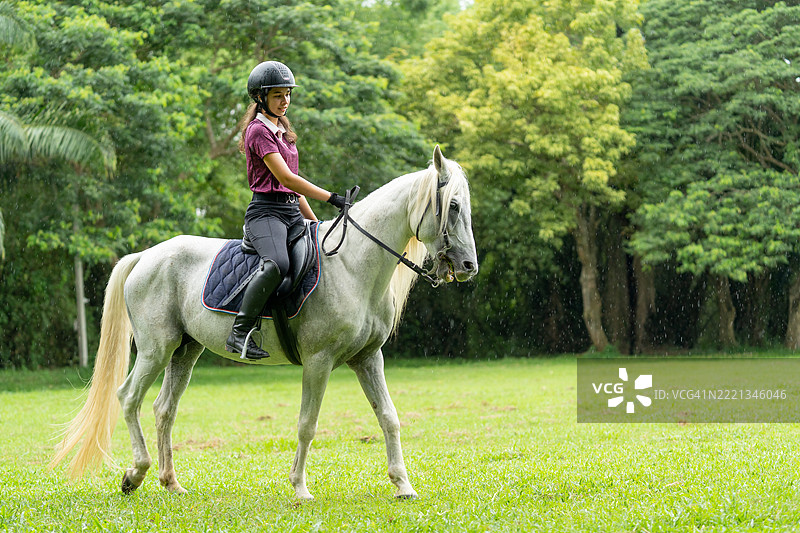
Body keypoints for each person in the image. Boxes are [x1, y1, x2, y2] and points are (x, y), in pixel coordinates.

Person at [227, 60, 346, 359]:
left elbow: (294, 190)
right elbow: (287, 179)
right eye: (278, 95)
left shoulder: (283, 130)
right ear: (260, 97)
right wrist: (332, 198)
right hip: (265, 214)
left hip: (292, 213)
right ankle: (239, 333)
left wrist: (316, 224)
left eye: (288, 94)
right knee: (277, 264)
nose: (285, 101)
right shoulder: (258, 131)